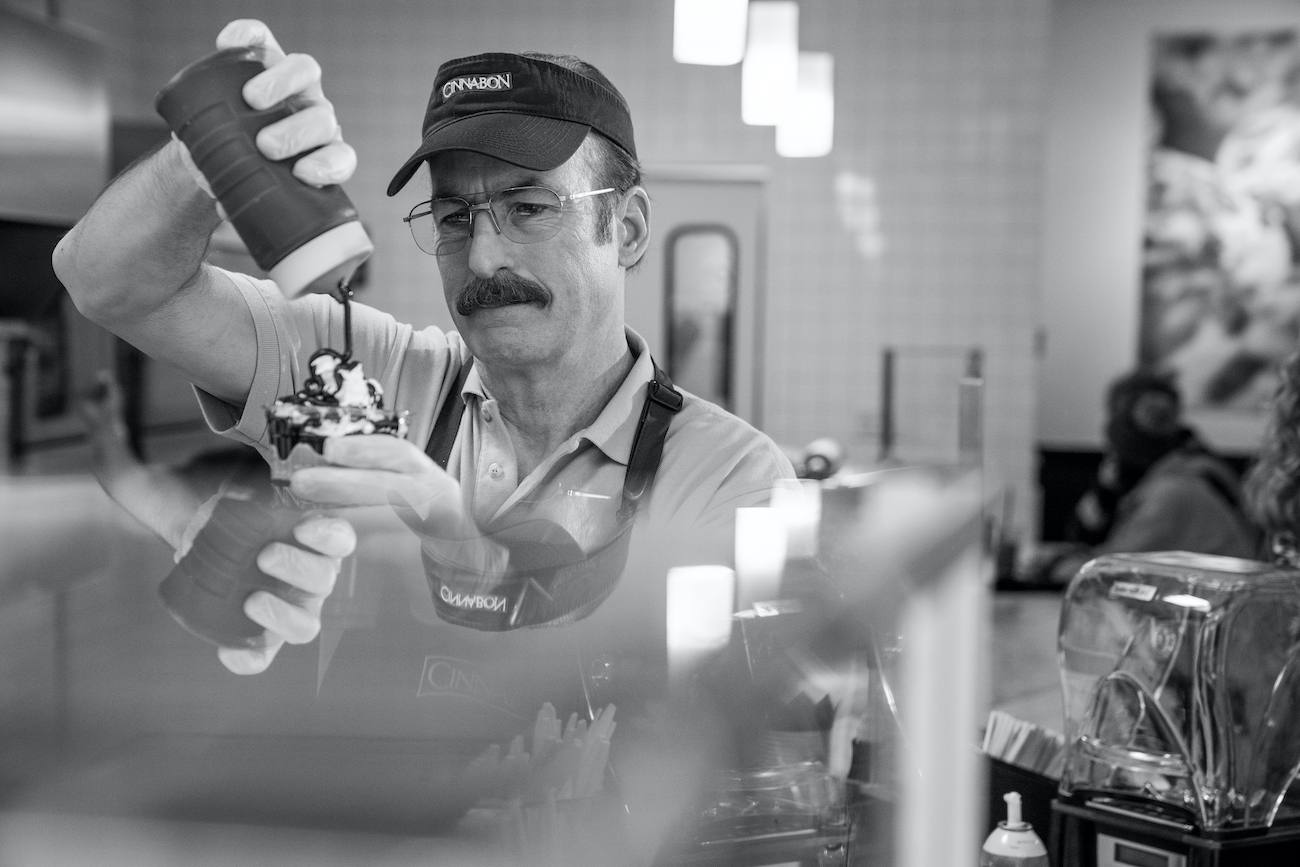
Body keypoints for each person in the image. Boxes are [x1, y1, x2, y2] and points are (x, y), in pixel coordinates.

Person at [53, 20, 794, 675]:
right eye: (452, 216)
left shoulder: (732, 474)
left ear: (626, 229)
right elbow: (106, 282)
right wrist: (206, 159)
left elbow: (716, 728)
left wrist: (458, 541)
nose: (481, 260)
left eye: (528, 208)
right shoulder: (351, 381)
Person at [1033, 369, 1260, 584]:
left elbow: (1107, 573)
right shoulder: (1196, 468)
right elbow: (1086, 532)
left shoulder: (1175, 489)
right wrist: (1105, 494)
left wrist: (1054, 566)